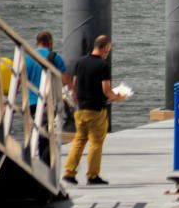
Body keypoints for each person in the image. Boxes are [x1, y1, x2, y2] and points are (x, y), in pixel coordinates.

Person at [62, 35, 126, 185]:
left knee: (79, 140)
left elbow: (75, 84)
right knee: (96, 143)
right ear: (103, 47)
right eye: (108, 50)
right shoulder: (103, 65)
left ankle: (69, 173)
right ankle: (92, 175)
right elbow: (106, 90)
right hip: (96, 109)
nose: (108, 53)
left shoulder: (80, 62)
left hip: (80, 109)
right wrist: (118, 97)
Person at [23, 31, 72, 165]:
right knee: (50, 135)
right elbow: (65, 79)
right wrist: (73, 91)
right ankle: (45, 165)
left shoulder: (26, 57)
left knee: (39, 133)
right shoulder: (53, 57)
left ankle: (41, 163)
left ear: (37, 42)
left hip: (31, 102)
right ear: (49, 42)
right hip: (47, 102)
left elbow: (19, 80)